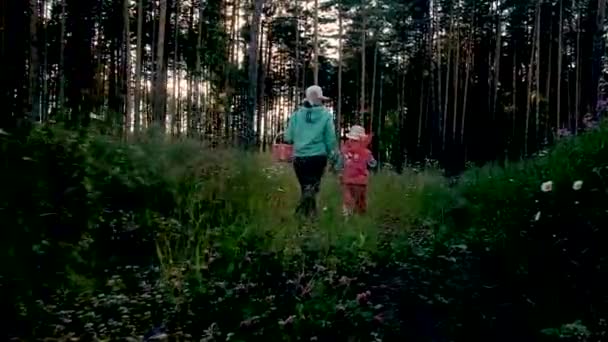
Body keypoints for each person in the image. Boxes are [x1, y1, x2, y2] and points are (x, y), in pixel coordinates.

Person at [285, 85, 338, 218]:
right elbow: (330, 138)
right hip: (318, 157)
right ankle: (306, 215)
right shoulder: (326, 116)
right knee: (313, 188)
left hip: (300, 158)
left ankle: (306, 217)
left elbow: (288, 137)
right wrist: (334, 155)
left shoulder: (296, 115)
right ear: (320, 99)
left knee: (306, 188)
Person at [336, 125, 376, 216]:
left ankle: (347, 216)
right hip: (361, 182)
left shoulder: (345, 151)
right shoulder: (366, 152)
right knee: (360, 201)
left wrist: (339, 172)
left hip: (348, 180)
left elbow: (339, 164)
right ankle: (359, 217)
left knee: (348, 200)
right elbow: (373, 163)